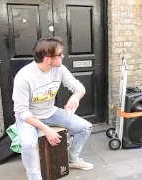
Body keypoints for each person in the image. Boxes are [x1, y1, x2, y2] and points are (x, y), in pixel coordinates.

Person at [12, 36, 94, 180]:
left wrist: (75, 97)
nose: (63, 56)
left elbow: (78, 87)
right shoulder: (23, 77)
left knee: (85, 127)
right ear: (47, 58)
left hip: (51, 112)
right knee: (28, 144)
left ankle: (73, 159)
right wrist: (46, 129)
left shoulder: (59, 69)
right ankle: (34, 177)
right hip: (30, 118)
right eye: (59, 54)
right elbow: (21, 112)